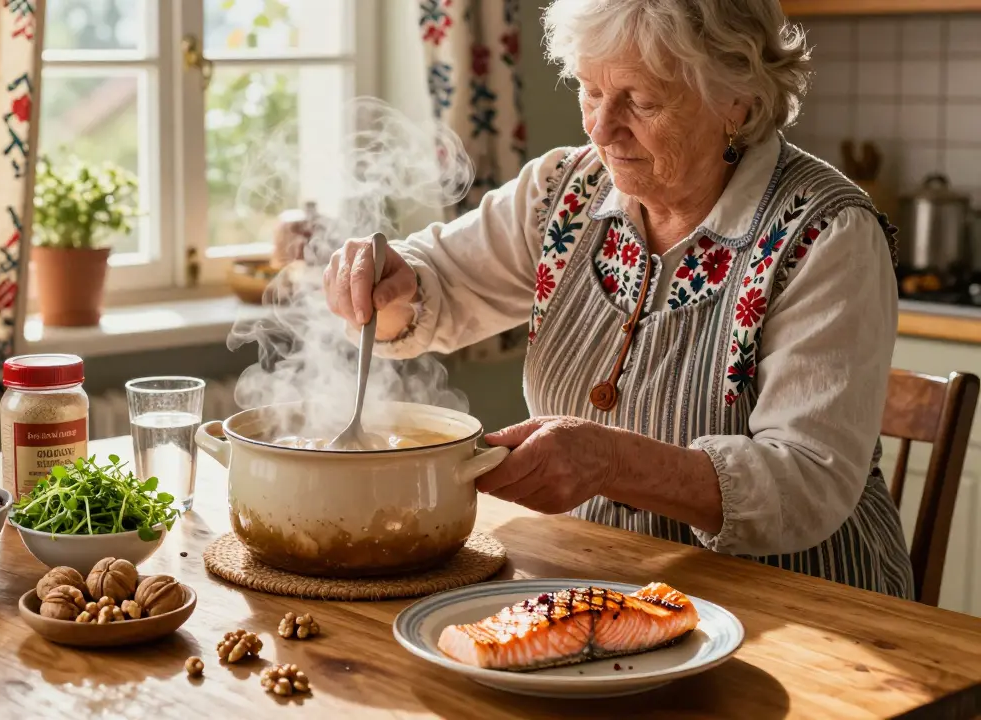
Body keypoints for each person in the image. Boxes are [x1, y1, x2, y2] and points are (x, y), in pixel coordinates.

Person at [323, 0, 913, 597]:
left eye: (641, 101)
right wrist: (388, 286)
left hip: (802, 610)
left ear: (737, 98)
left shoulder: (828, 234)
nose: (601, 127)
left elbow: (805, 483)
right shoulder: (566, 191)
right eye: (589, 90)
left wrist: (611, 461)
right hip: (600, 582)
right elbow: (439, 282)